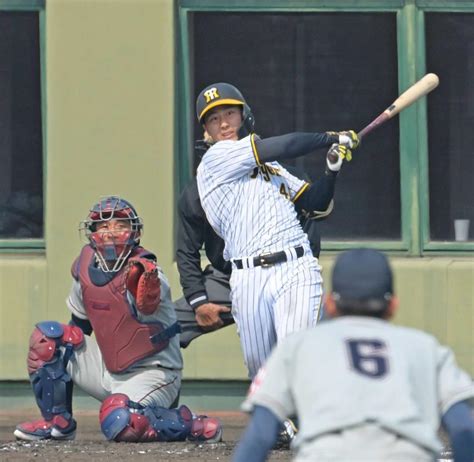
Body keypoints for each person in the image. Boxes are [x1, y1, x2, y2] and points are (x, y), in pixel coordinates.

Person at [14, 196, 222, 444]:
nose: (111, 232)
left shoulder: (146, 271)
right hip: (108, 368)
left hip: (153, 373)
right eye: (103, 226)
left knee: (122, 423)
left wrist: (146, 288)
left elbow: (150, 299)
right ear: (92, 232)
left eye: (120, 225)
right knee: (46, 339)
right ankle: (57, 424)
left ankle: (193, 424)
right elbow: (79, 328)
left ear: (134, 232)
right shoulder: (84, 267)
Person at [233, 248, 474, 462]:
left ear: (329, 304)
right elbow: (463, 428)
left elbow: (261, 433)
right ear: (393, 305)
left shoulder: (297, 347)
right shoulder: (425, 347)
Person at [195, 82, 359, 380]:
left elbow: (314, 202)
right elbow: (285, 145)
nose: (223, 123)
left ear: (243, 115)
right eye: (213, 119)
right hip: (247, 275)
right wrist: (330, 137)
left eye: (229, 113)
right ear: (206, 130)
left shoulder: (273, 168)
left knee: (294, 356)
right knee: (262, 373)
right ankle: (284, 424)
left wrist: (331, 170)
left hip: (295, 265)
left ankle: (310, 420)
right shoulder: (215, 160)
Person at [175, 137, 332, 349]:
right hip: (226, 278)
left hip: (286, 271)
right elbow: (186, 252)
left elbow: (315, 217)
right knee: (160, 327)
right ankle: (153, 380)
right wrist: (199, 302)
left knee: (304, 344)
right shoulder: (198, 191)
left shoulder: (284, 175)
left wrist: (332, 171)